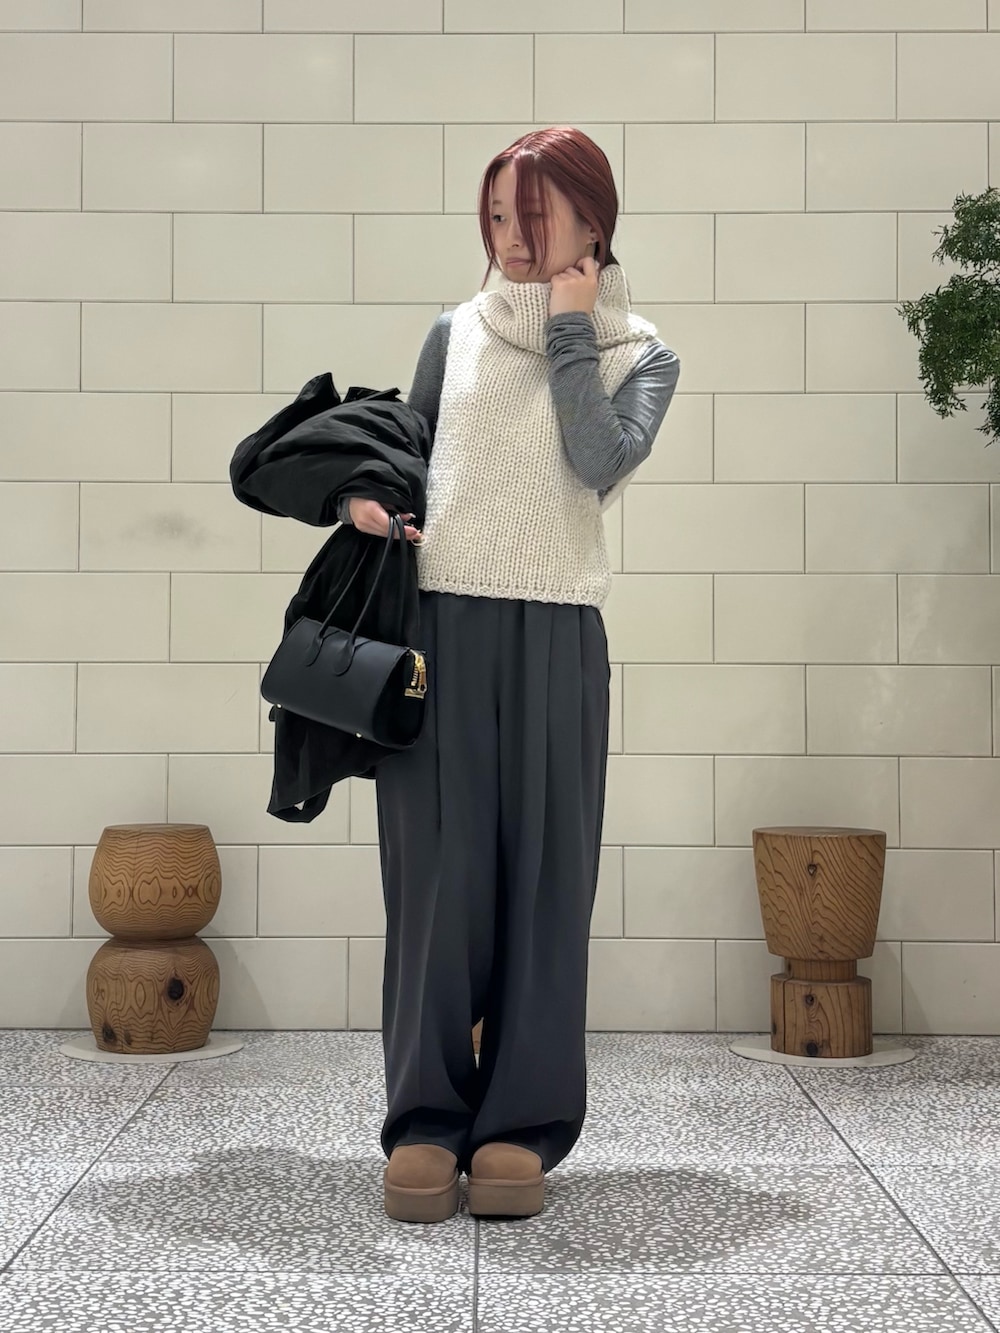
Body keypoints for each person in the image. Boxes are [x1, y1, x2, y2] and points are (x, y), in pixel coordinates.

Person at [337, 126, 680, 1224]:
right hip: (436, 631)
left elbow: (596, 458)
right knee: (435, 886)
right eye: (496, 216)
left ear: (592, 221)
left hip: (557, 637)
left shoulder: (642, 354)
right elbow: (408, 456)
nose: (511, 238)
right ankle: (426, 1119)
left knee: (544, 884)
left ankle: (520, 1124)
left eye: (533, 215)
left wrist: (571, 329)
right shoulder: (455, 333)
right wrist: (366, 499)